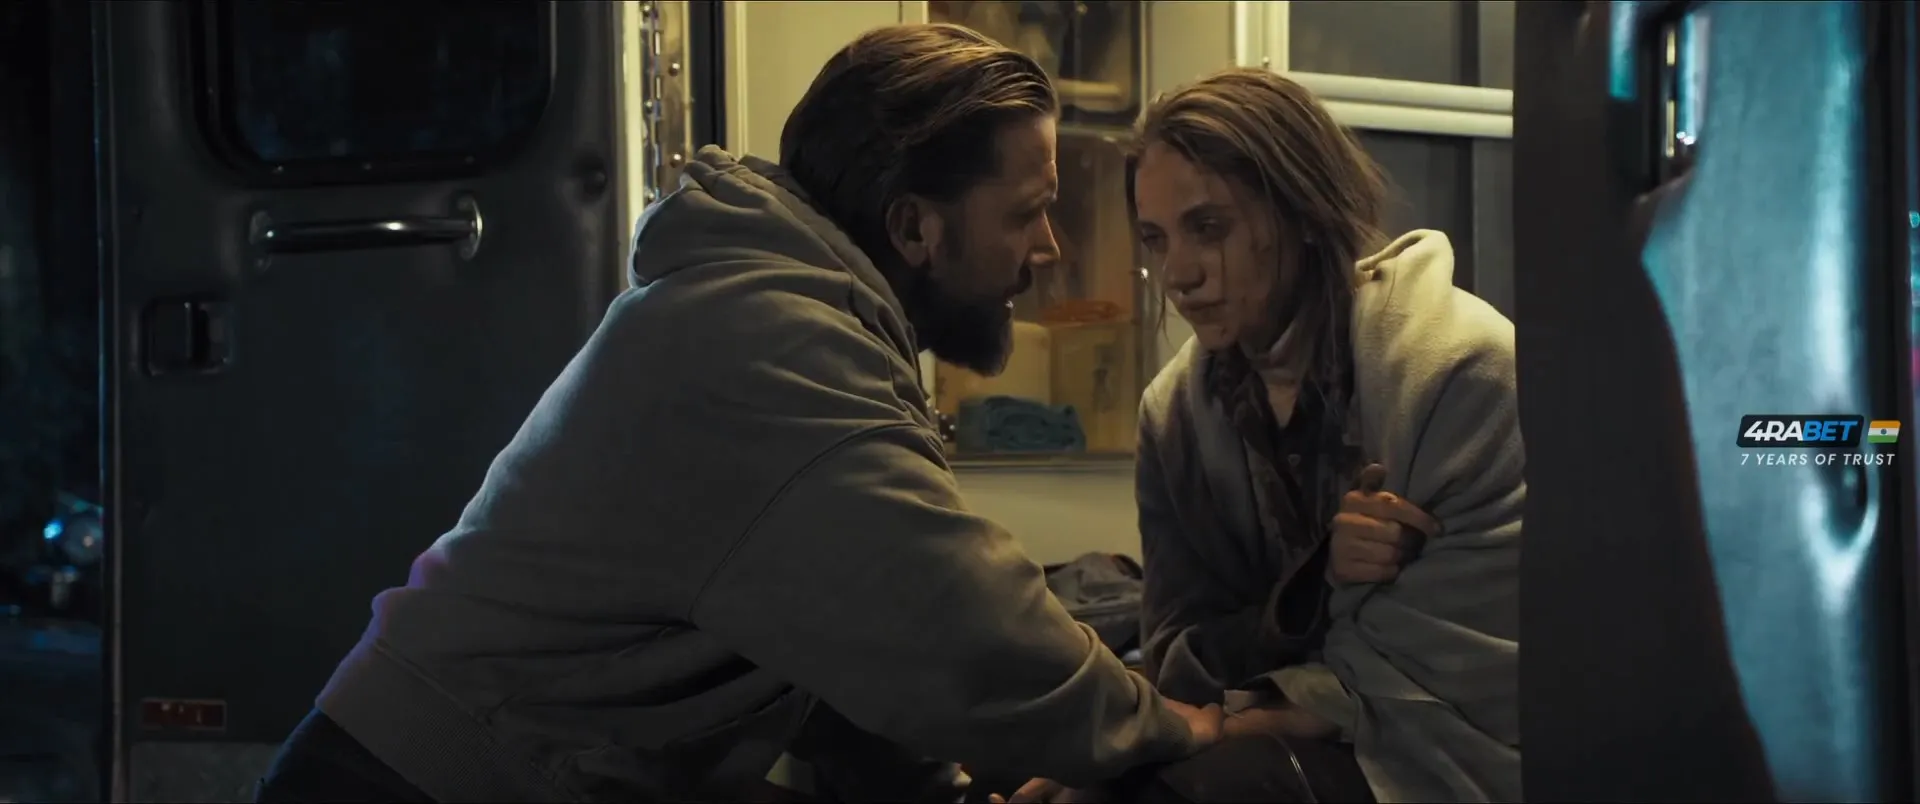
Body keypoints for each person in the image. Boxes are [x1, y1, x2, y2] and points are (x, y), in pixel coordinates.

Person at [253, 23, 1226, 804]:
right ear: (913, 227)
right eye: (1025, 212)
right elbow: (966, 629)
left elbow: (843, 640)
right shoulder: (773, 346)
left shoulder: (784, 318)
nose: (1049, 247)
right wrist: (1171, 728)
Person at [1004, 69, 1524, 804]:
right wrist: (1311, 589)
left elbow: (1454, 666)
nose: (1177, 274)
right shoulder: (1175, 415)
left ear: (1302, 211)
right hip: (1268, 723)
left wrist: (1179, 736)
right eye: (1156, 239)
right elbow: (1177, 651)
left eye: (1208, 228)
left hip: (1437, 754)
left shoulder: (1458, 372)